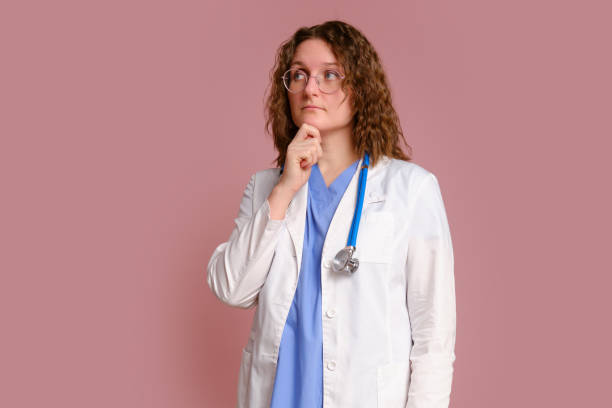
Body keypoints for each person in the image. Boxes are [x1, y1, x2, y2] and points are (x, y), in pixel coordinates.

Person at [207, 20, 456, 408]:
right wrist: (286, 187)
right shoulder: (265, 188)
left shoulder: (411, 190)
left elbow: (433, 338)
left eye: (330, 75)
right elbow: (231, 289)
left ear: (360, 87)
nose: (311, 88)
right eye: (299, 75)